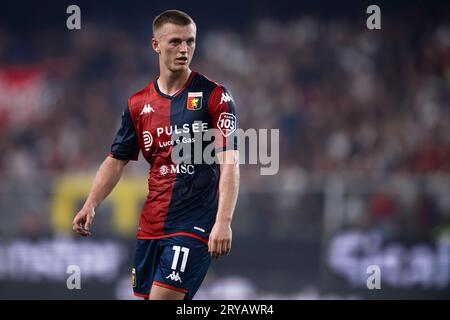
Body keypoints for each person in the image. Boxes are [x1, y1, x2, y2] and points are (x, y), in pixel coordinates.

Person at [72, 9, 239, 300]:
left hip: (194, 224)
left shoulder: (215, 96)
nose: (184, 49)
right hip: (151, 226)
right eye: (175, 41)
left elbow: (230, 163)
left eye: (190, 41)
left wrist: (223, 221)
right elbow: (116, 160)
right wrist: (91, 203)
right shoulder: (138, 104)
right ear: (156, 45)